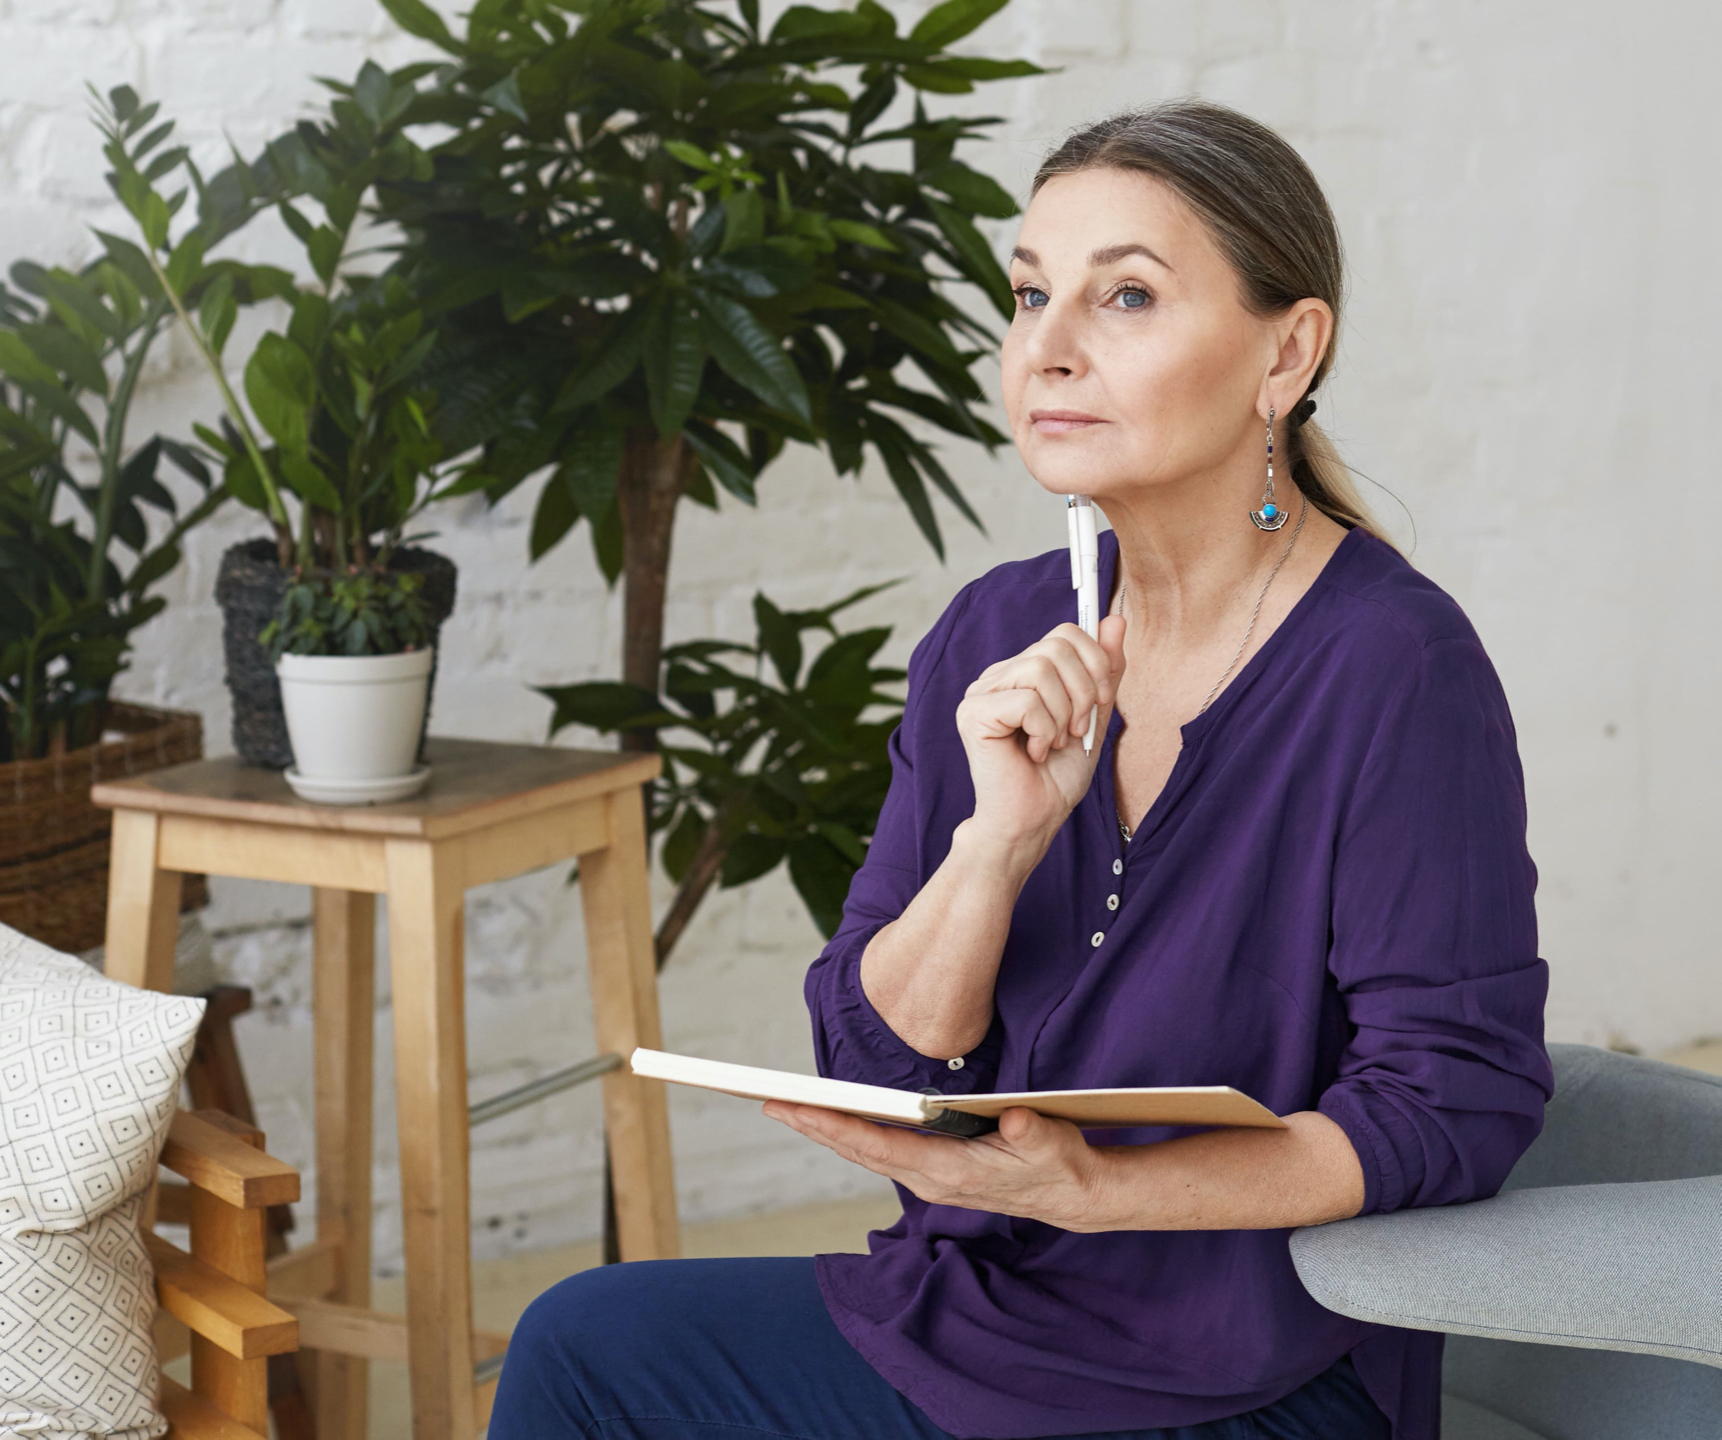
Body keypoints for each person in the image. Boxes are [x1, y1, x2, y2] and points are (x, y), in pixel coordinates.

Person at [488, 100, 1551, 1440]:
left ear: (1286, 353)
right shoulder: (994, 634)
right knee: (585, 1344)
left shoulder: (1395, 666)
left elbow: (1452, 1103)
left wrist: (1094, 1190)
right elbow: (876, 1055)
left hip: (1259, 1373)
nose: (1046, 348)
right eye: (1031, 293)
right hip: (978, 1307)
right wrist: (995, 843)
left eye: (1125, 296)